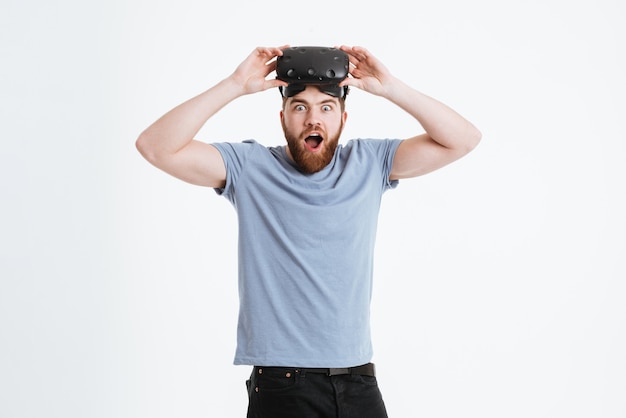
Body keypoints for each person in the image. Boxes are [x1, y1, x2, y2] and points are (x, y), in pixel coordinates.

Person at [136, 45, 481, 418]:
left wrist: (392, 88)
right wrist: (234, 85)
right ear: (282, 117)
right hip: (283, 383)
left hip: (358, 379)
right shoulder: (249, 167)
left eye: (326, 108)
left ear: (343, 120)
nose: (312, 119)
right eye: (299, 107)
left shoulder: (369, 163)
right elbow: (155, 147)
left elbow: (463, 139)